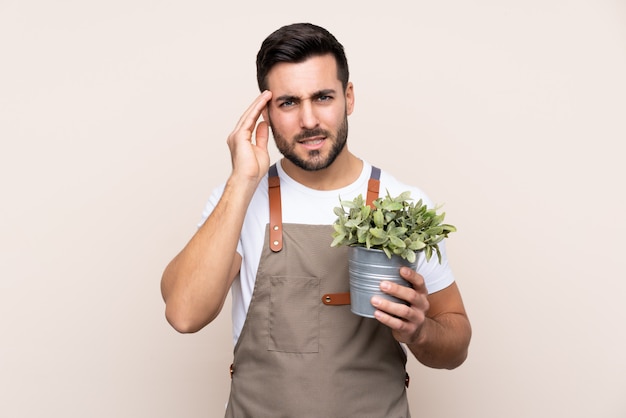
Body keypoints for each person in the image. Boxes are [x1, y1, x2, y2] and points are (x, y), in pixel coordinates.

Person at [161, 22, 471, 417]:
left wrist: (421, 331)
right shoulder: (240, 201)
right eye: (288, 103)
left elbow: (456, 343)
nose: (308, 120)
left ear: (349, 97)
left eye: (323, 97)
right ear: (265, 113)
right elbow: (184, 314)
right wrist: (242, 180)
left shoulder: (403, 204)